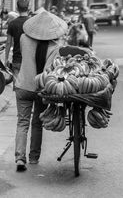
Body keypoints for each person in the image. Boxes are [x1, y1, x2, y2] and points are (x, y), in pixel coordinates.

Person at [14, 10, 68, 171]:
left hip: (23, 85)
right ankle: (33, 158)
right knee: (37, 123)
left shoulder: (24, 39)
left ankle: (19, 158)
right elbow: (50, 70)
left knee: (22, 122)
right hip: (41, 88)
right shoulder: (56, 47)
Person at [5, 0, 29, 88]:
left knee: (18, 88)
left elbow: (8, 43)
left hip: (17, 60)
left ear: (17, 8)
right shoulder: (31, 22)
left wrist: (6, 59)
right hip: (30, 61)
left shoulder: (12, 24)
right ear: (28, 8)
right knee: (29, 87)